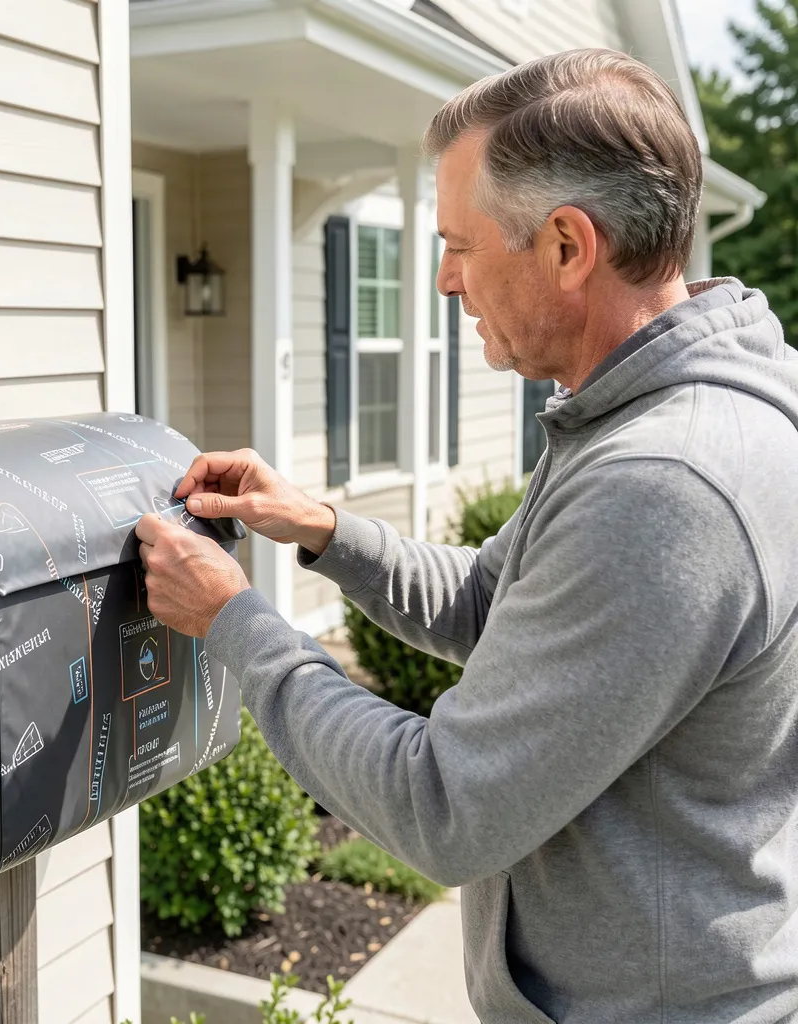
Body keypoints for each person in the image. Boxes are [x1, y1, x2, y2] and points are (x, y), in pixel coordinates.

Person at [135, 48, 798, 1024]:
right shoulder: (635, 415)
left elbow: (443, 805)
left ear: (567, 247)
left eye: (458, 242)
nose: (445, 280)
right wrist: (321, 528)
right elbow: (496, 602)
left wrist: (233, 620)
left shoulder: (663, 481)